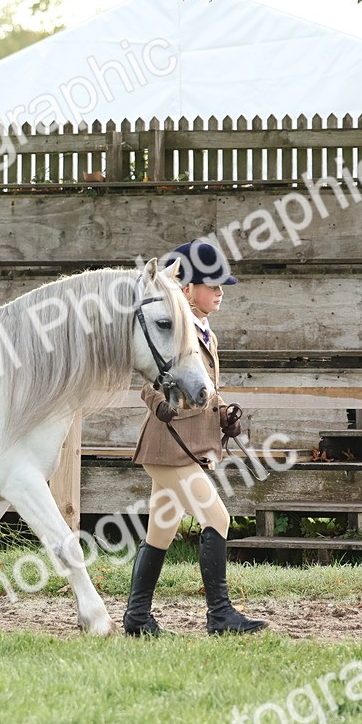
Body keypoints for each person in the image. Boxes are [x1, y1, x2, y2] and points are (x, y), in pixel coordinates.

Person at [124, 240, 268, 637]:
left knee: (161, 529)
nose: (221, 291)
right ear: (185, 288)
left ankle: (137, 618)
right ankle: (219, 615)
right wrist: (158, 404)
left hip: (187, 445)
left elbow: (203, 387)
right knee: (217, 517)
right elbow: (149, 380)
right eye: (212, 284)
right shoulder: (174, 324)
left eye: (223, 284)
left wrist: (224, 414)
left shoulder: (204, 330)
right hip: (169, 444)